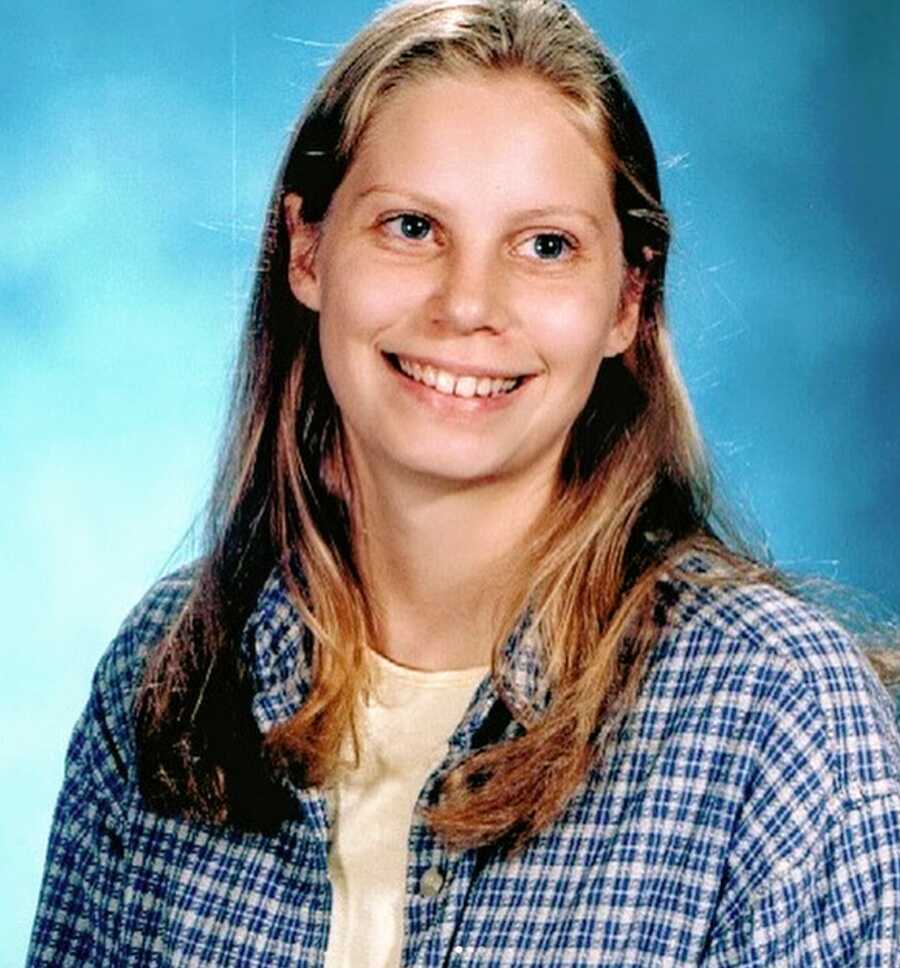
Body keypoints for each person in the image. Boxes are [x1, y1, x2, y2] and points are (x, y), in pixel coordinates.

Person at [27, 0, 900, 964]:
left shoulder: (774, 717)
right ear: (308, 251)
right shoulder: (168, 680)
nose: (468, 306)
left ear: (627, 302)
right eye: (411, 227)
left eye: (545, 247)